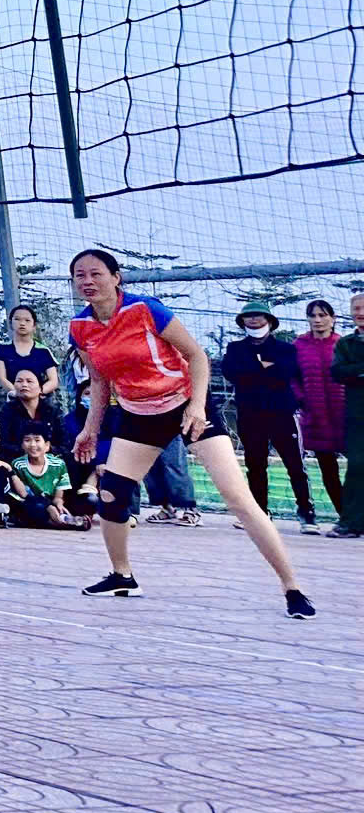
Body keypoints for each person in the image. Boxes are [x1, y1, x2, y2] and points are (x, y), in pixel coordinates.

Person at [66, 248, 312, 617]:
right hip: (139, 412)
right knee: (111, 496)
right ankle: (122, 576)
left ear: (116, 278)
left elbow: (197, 356)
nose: (88, 281)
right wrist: (90, 429)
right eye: (80, 275)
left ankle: (292, 588)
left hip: (186, 404)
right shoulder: (80, 327)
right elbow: (100, 381)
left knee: (238, 498)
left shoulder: (146, 309)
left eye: (96, 273)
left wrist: (196, 406)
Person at [219, 304, 314, 529]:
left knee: (295, 464)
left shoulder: (286, 348)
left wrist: (253, 367)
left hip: (281, 413)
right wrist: (263, 366)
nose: (253, 320)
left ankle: (306, 512)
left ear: (269, 321)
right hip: (250, 414)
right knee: (255, 465)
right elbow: (231, 372)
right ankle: (260, 513)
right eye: (248, 317)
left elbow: (284, 373)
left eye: (258, 316)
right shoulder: (235, 348)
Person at [291, 298, 345, 522]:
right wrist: (301, 399)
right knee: (328, 470)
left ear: (333, 318)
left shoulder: (343, 344)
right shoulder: (299, 345)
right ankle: (345, 516)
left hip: (346, 417)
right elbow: (292, 377)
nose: (317, 320)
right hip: (316, 417)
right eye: (312, 315)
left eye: (322, 315)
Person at [5, 428, 92, 530]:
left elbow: (58, 497)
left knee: (88, 501)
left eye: (37, 440)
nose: (32, 445)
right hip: (32, 502)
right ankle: (66, 524)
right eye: (27, 440)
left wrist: (58, 505)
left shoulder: (58, 465)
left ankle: (64, 520)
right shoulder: (18, 464)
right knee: (35, 509)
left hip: (51, 501)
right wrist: (48, 507)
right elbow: (25, 494)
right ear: (22, 446)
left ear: (47, 446)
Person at [332, 290, 364, 539]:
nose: (360, 313)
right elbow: (338, 373)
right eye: (356, 309)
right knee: (357, 466)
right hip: (357, 416)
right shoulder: (345, 344)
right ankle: (350, 522)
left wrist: (355, 372)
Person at [0, 303, 61, 410]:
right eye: (17, 319)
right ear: (10, 323)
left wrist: (36, 394)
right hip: (13, 403)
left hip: (40, 404)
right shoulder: (2, 349)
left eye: (27, 320)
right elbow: (1, 378)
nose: (22, 323)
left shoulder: (43, 351)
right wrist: (18, 394)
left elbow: (53, 381)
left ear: (34, 325)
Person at [0, 368, 61, 454]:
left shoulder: (51, 411)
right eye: (19, 381)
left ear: (40, 387)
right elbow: (0, 442)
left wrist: (45, 450)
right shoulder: (7, 410)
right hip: (15, 458)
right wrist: (26, 450)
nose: (24, 385)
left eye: (29, 381)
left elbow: (63, 443)